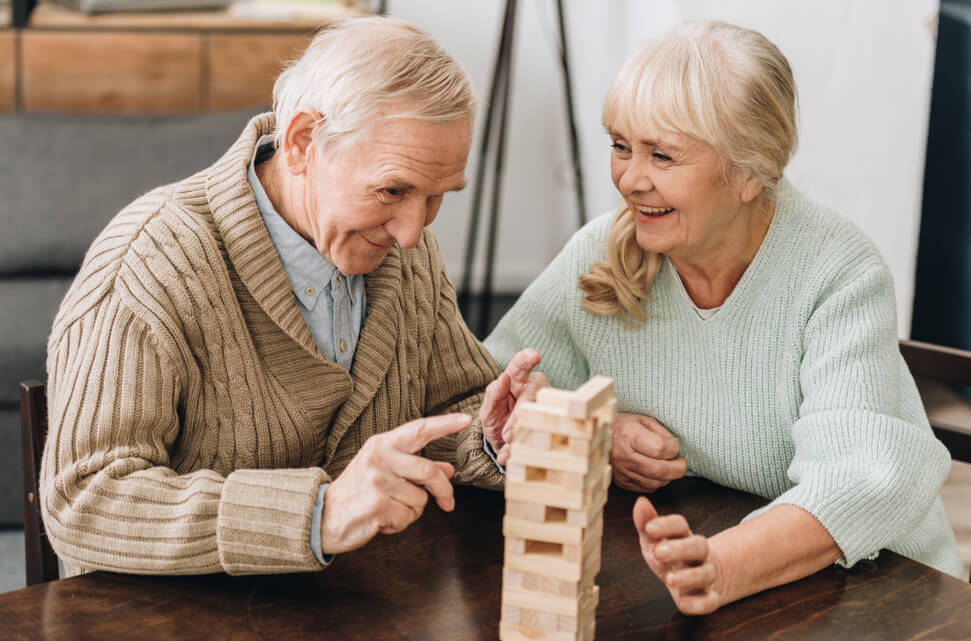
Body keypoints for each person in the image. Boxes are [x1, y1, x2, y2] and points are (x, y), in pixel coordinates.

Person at [485, 20, 963, 614]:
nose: (631, 179)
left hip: (881, 589)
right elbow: (492, 386)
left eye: (662, 154)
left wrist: (723, 565)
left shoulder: (838, 271)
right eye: (620, 145)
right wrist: (595, 432)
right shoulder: (599, 253)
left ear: (749, 172)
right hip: (696, 575)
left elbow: (860, 482)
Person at [41, 16, 542, 577]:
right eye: (392, 190)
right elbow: (84, 499)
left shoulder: (408, 252)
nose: (411, 231)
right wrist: (316, 514)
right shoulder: (150, 262)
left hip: (357, 608)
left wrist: (491, 437)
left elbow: (450, 408)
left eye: (436, 197)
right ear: (304, 142)